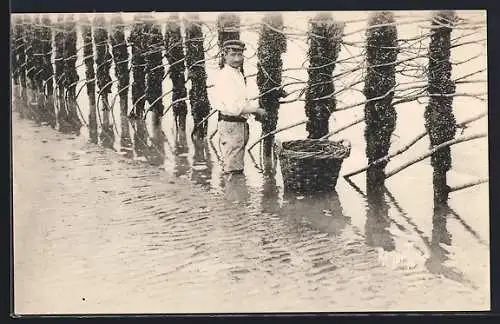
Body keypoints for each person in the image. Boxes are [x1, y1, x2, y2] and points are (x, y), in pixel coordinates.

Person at [211, 40, 267, 175]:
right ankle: (233, 193)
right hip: (230, 124)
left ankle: (236, 193)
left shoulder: (237, 73)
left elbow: (241, 100)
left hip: (239, 124)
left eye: (240, 55)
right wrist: (256, 110)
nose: (237, 58)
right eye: (233, 54)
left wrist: (252, 110)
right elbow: (233, 107)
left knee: (236, 162)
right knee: (232, 166)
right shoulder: (226, 76)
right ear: (224, 55)